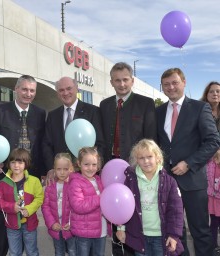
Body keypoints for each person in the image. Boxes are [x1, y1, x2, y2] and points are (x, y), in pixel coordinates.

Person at [156, 68, 220, 256]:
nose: (171, 87)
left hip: (193, 180)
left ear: (184, 82)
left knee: (200, 230)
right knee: (175, 232)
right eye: (166, 84)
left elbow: (213, 141)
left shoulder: (200, 108)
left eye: (175, 82)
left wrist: (189, 163)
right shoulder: (158, 112)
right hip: (167, 181)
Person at [99, 62, 157, 256]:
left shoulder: (145, 103)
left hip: (136, 169)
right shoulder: (105, 105)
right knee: (115, 214)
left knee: (136, 216)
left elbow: (150, 139)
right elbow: (101, 138)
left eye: (125, 80)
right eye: (117, 80)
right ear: (111, 82)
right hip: (110, 172)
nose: (122, 84)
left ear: (132, 80)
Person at [0, 75, 46, 256]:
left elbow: (43, 144)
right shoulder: (0, 110)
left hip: (31, 175)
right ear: (16, 89)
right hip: (7, 174)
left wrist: (44, 171)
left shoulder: (40, 113)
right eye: (25, 89)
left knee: (27, 218)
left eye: (32, 90)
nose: (28, 94)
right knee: (4, 216)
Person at [116, 139, 184, 256]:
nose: (146, 161)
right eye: (141, 158)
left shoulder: (170, 182)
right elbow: (122, 206)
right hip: (139, 236)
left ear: (157, 157)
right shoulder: (130, 180)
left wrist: (173, 235)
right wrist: (121, 228)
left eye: (149, 156)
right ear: (137, 160)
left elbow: (176, 211)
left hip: (161, 237)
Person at [43, 76, 103, 173]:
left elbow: (100, 143)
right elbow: (47, 145)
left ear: (76, 88)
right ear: (58, 93)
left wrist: (93, 167)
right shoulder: (52, 115)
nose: (65, 93)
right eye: (61, 90)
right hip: (59, 173)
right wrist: (51, 168)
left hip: (85, 173)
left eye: (69, 88)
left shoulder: (93, 111)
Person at [0, 148, 44, 256]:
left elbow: (39, 198)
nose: (16, 165)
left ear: (26, 163)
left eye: (20, 162)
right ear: (9, 164)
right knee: (14, 253)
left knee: (32, 251)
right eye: (13, 162)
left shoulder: (34, 181)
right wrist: (11, 207)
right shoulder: (3, 183)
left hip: (30, 225)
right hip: (12, 226)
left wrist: (29, 209)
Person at [68, 147, 108, 256]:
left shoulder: (99, 180)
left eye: (94, 164)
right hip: (83, 232)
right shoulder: (75, 183)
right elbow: (78, 206)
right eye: (86, 164)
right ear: (79, 163)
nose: (90, 168)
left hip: (101, 230)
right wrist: (101, 198)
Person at [42, 153, 76, 256]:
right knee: (59, 251)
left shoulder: (74, 185)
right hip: (56, 228)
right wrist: (52, 223)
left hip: (70, 228)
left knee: (73, 251)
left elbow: (76, 207)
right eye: (59, 169)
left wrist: (71, 223)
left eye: (66, 169)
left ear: (71, 169)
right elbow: (45, 207)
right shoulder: (50, 186)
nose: (62, 172)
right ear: (54, 169)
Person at [200, 81, 220, 251]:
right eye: (212, 91)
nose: (215, 94)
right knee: (211, 207)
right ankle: (212, 243)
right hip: (207, 163)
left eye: (218, 91)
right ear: (206, 94)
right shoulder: (201, 111)